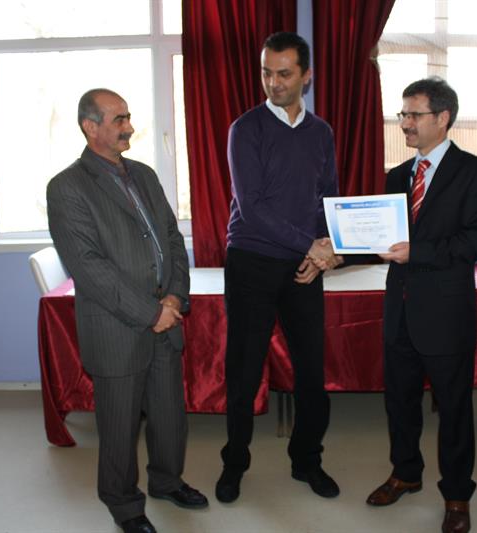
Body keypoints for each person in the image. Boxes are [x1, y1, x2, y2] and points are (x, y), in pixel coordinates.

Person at [47, 88, 207, 533]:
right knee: (119, 427)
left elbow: (172, 238)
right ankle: (123, 505)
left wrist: (174, 297)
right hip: (117, 327)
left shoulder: (144, 175)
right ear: (90, 127)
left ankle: (167, 481)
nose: (129, 127)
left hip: (165, 317)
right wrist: (151, 313)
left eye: (128, 117)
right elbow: (89, 268)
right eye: (118, 120)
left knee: (169, 417)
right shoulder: (67, 187)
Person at [365, 77, 477, 533]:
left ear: (442, 118)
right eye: (402, 114)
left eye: (413, 114)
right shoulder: (396, 176)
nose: (404, 123)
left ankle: (457, 495)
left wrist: (417, 253)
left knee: (454, 410)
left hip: (445, 314)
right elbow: (382, 239)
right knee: (399, 403)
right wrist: (338, 248)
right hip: (400, 311)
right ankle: (405, 473)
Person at [215, 31, 341, 504]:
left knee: (311, 371)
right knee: (244, 372)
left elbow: (327, 197)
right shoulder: (245, 129)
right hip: (251, 261)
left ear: (307, 76)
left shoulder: (321, 132)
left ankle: (307, 460)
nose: (274, 82)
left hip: (303, 266)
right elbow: (252, 208)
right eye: (267, 73)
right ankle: (234, 463)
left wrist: (326, 251)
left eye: (284, 73)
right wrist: (311, 246)